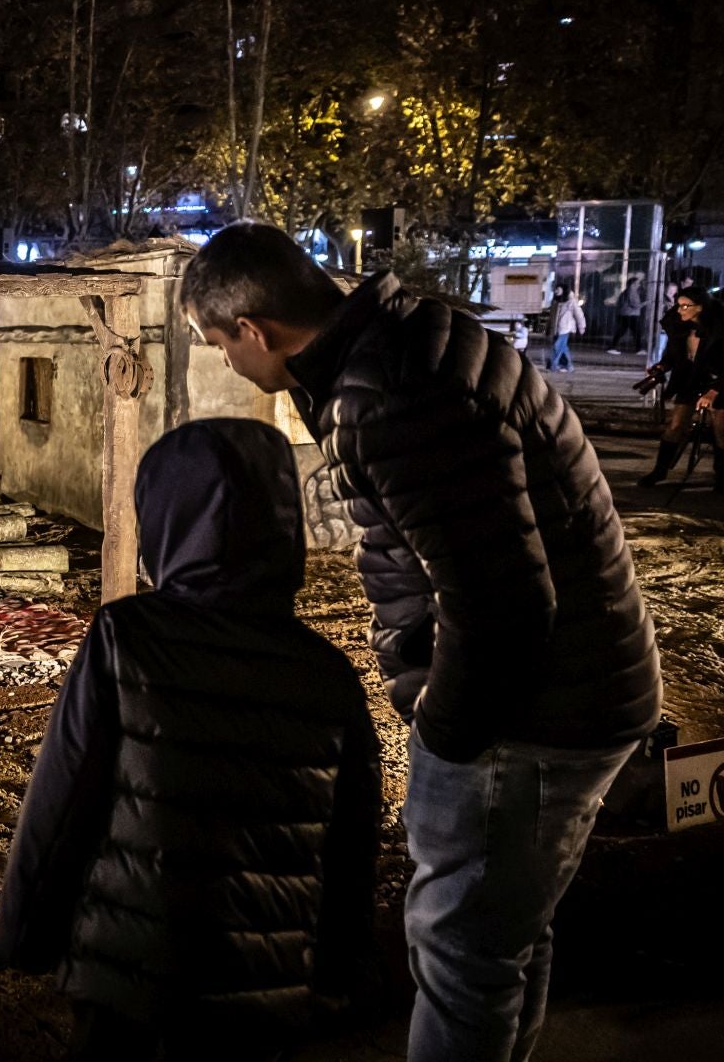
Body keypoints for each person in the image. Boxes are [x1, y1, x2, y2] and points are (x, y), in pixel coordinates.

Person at [181, 224, 660, 1062]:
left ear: (253, 331)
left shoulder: (390, 394)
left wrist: (442, 728)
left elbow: (501, 602)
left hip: (528, 718)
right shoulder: (409, 342)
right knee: (507, 935)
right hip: (582, 687)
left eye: (219, 344)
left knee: (461, 948)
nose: (226, 363)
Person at [0, 418, 379, 1061]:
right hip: (265, 993)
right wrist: (339, 975)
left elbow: (61, 803)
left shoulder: (128, 639)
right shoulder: (329, 675)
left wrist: (26, 934)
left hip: (130, 984)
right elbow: (351, 846)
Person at [637, 286, 724, 489]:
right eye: (678, 305)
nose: (680, 310)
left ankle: (721, 476)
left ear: (700, 308)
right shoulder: (680, 327)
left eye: (685, 306)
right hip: (690, 380)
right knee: (675, 426)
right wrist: (661, 367)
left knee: (721, 430)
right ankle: (659, 471)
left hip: (719, 382)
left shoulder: (719, 329)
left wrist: (713, 392)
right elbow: (672, 355)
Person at [547, 281, 585, 371]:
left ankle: (554, 365)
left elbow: (579, 314)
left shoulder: (571, 302)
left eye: (558, 289)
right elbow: (551, 317)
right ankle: (568, 366)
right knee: (563, 348)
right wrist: (548, 328)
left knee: (557, 346)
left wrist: (581, 326)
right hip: (557, 329)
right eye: (556, 289)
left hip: (565, 329)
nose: (556, 291)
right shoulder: (555, 302)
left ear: (564, 290)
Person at [609, 277, 645, 354]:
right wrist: (645, 303)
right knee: (636, 332)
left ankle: (612, 347)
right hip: (631, 315)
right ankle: (638, 349)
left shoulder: (626, 291)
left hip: (625, 314)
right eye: (637, 283)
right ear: (633, 284)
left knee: (622, 331)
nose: (639, 284)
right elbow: (635, 305)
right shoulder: (632, 292)